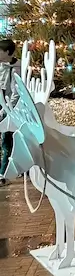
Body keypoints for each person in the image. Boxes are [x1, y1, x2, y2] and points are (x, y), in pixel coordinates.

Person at [0, 38, 19, 185]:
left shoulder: (16, 68)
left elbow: (16, 92)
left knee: (7, 140)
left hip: (8, 108)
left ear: (7, 52)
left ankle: (3, 173)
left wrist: (6, 109)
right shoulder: (1, 66)